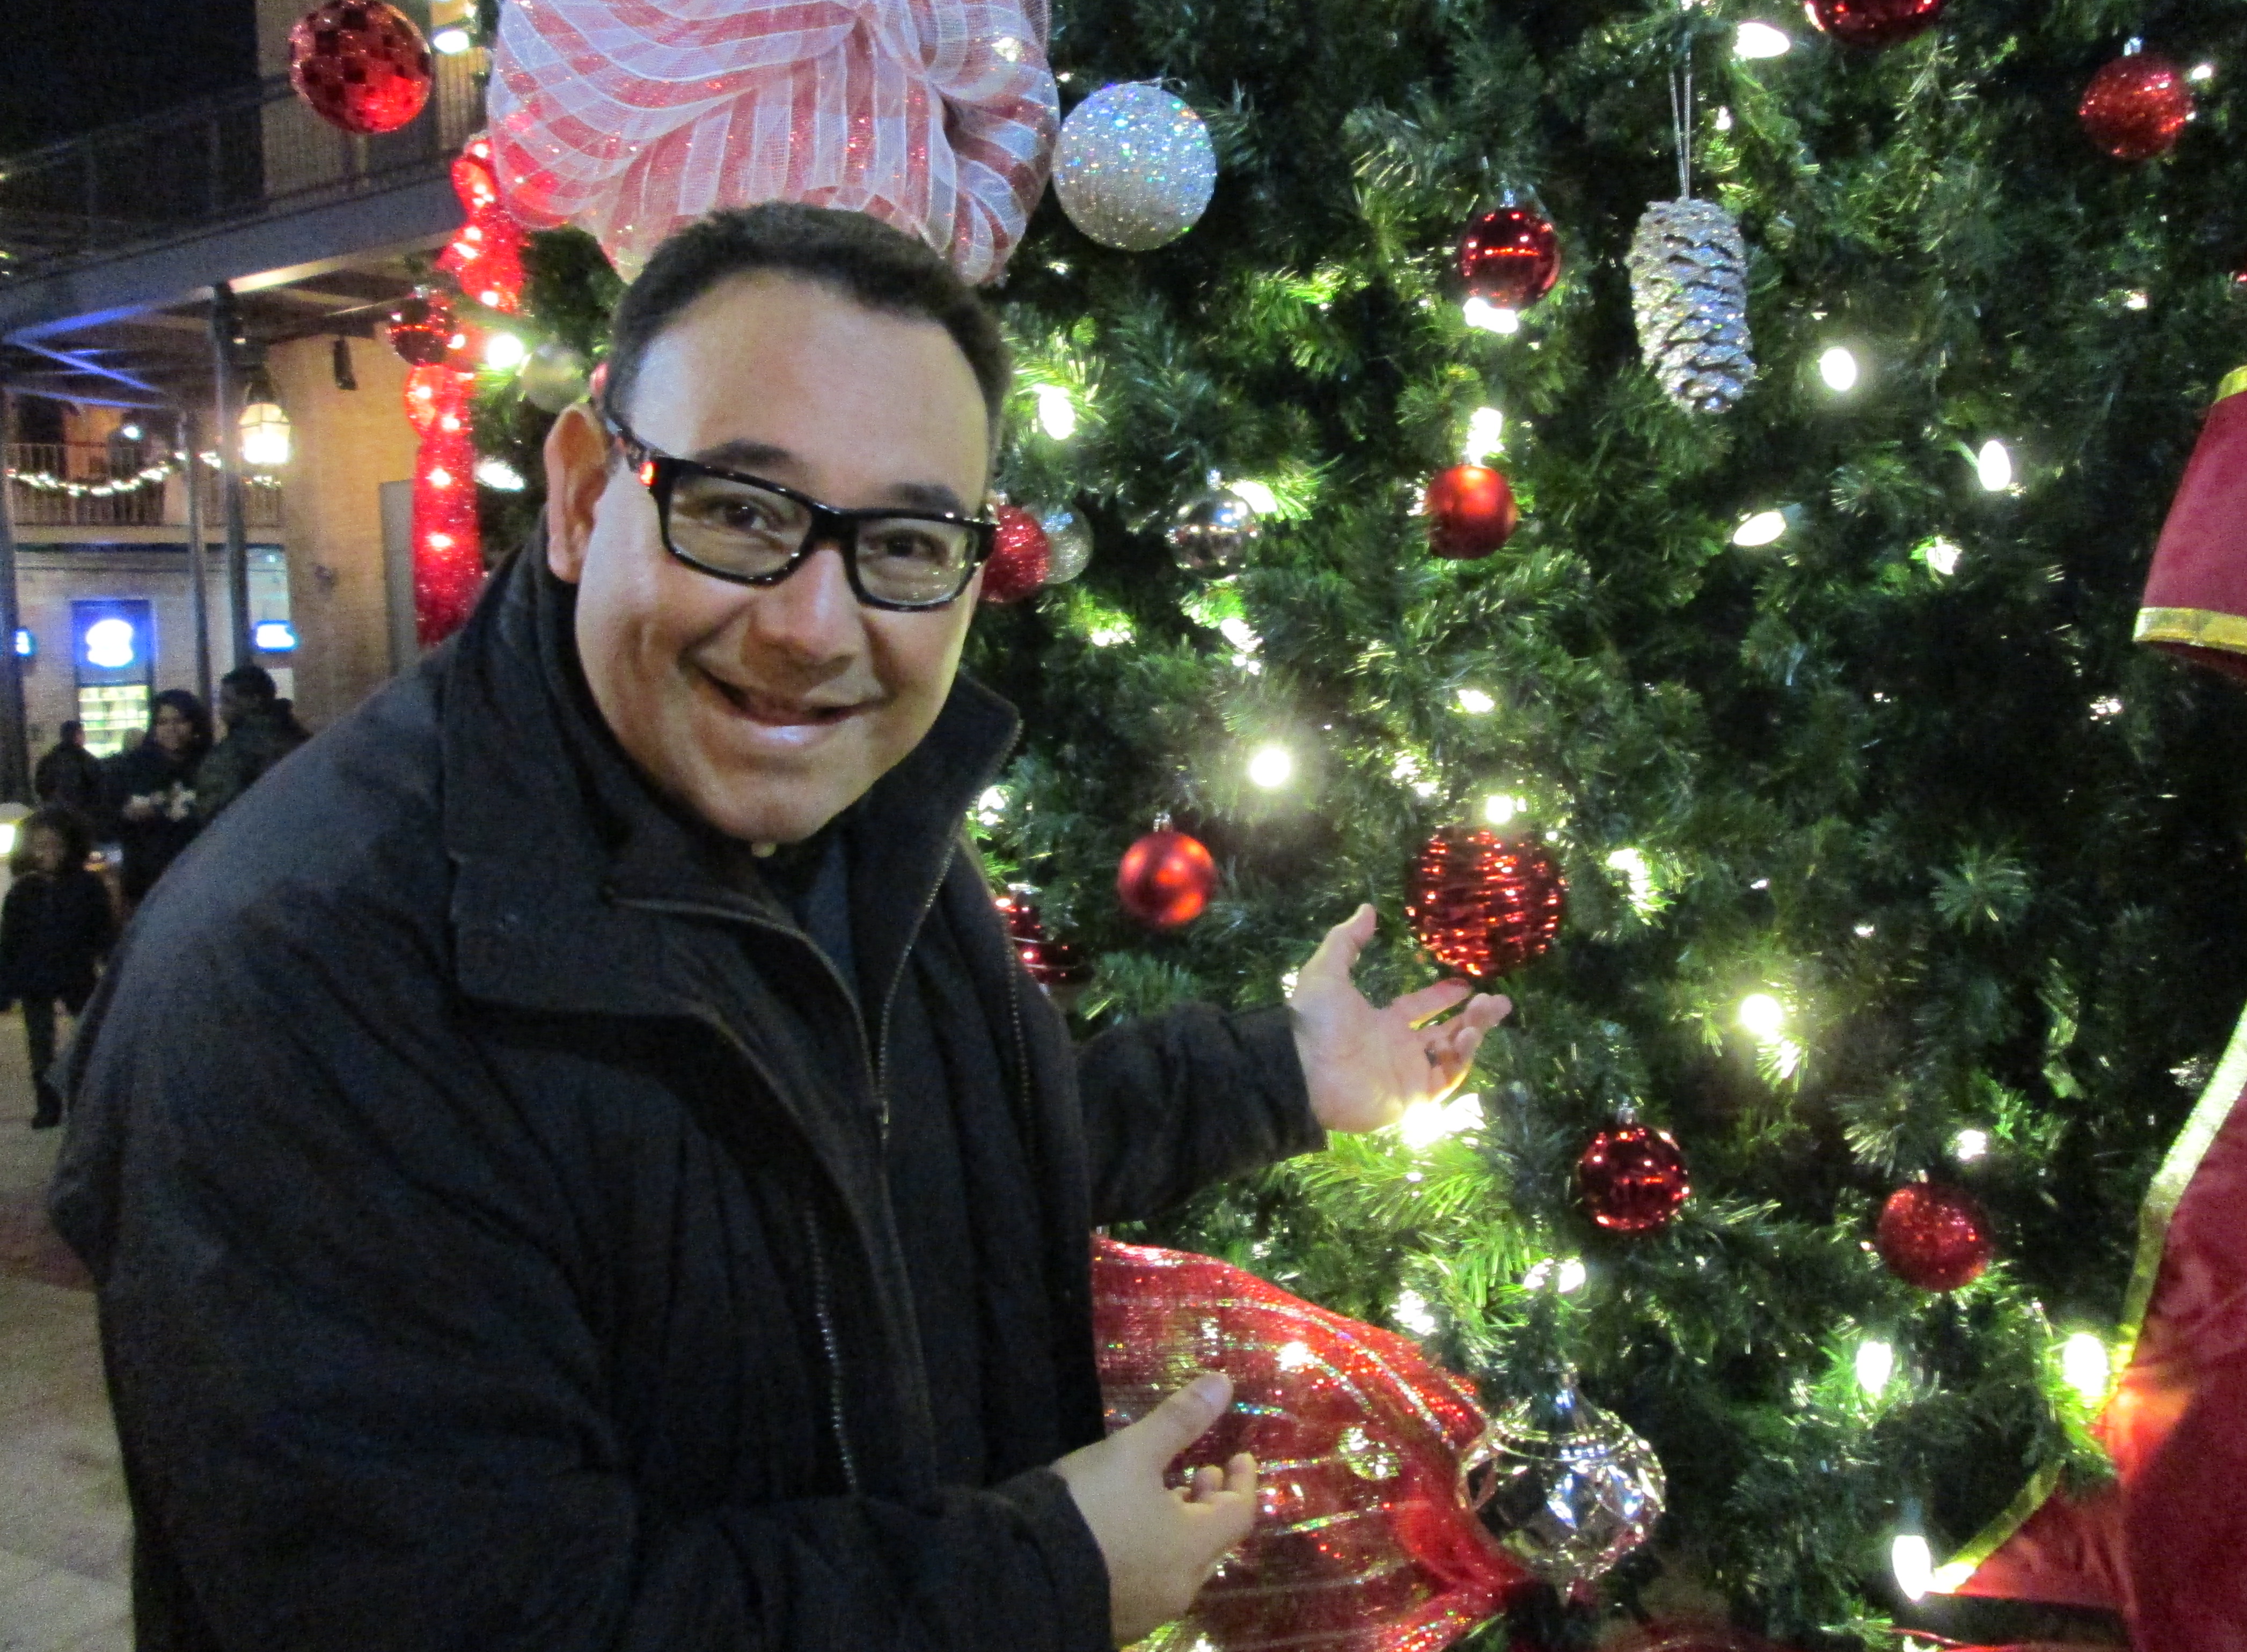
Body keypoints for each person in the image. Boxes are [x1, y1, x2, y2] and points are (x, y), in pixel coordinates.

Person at [52, 203, 1509, 1652]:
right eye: (742, 511)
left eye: (907, 541)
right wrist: (1042, 1578)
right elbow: (479, 1614)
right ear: (582, 494)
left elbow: (925, 1154)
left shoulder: (847, 821)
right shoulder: (306, 981)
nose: (815, 627)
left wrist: (1278, 1071)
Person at [1, 808, 114, 1129]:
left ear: (70, 846)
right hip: (34, 978)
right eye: (40, 847)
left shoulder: (87, 886)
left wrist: (109, 963)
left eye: (55, 846)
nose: (47, 854)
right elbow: (10, 942)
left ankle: (84, 1101)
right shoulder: (23, 892)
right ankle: (47, 1104)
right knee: (40, 1047)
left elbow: (102, 931)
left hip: (76, 973)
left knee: (87, 1039)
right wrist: (6, 987)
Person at [101, 691, 209, 908]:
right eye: (163, 722)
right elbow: (106, 821)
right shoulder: (131, 767)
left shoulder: (211, 765)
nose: (171, 729)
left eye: (180, 721)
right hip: (147, 879)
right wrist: (126, 815)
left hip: (200, 874)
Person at [192, 664, 309, 825]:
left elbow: (215, 810)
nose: (221, 710)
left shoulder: (233, 751)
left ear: (255, 700)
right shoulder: (300, 738)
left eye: (227, 701)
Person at [33, 720, 107, 838]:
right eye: (82, 733)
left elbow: (40, 787)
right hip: (83, 817)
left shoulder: (49, 759)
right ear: (77, 735)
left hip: (55, 816)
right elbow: (99, 788)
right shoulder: (86, 760)